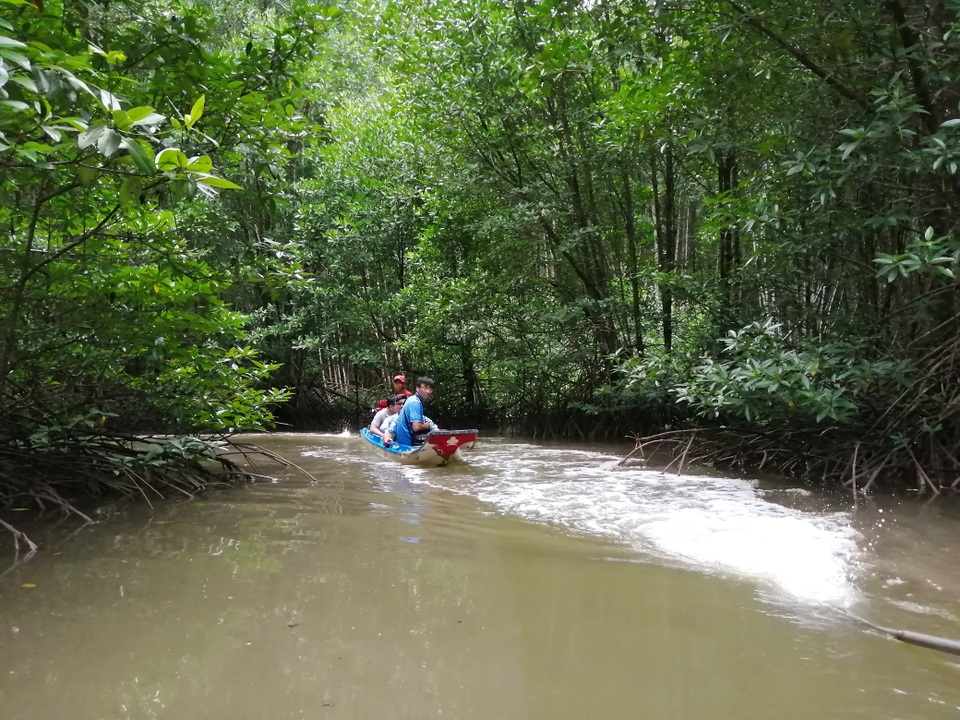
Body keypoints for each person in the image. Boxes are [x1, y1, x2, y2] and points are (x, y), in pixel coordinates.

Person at [394, 376, 440, 447]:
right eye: (425, 388)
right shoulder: (415, 402)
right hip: (408, 444)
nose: (428, 391)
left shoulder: (412, 399)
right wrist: (428, 426)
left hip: (403, 441)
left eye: (430, 388)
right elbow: (416, 427)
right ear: (417, 388)